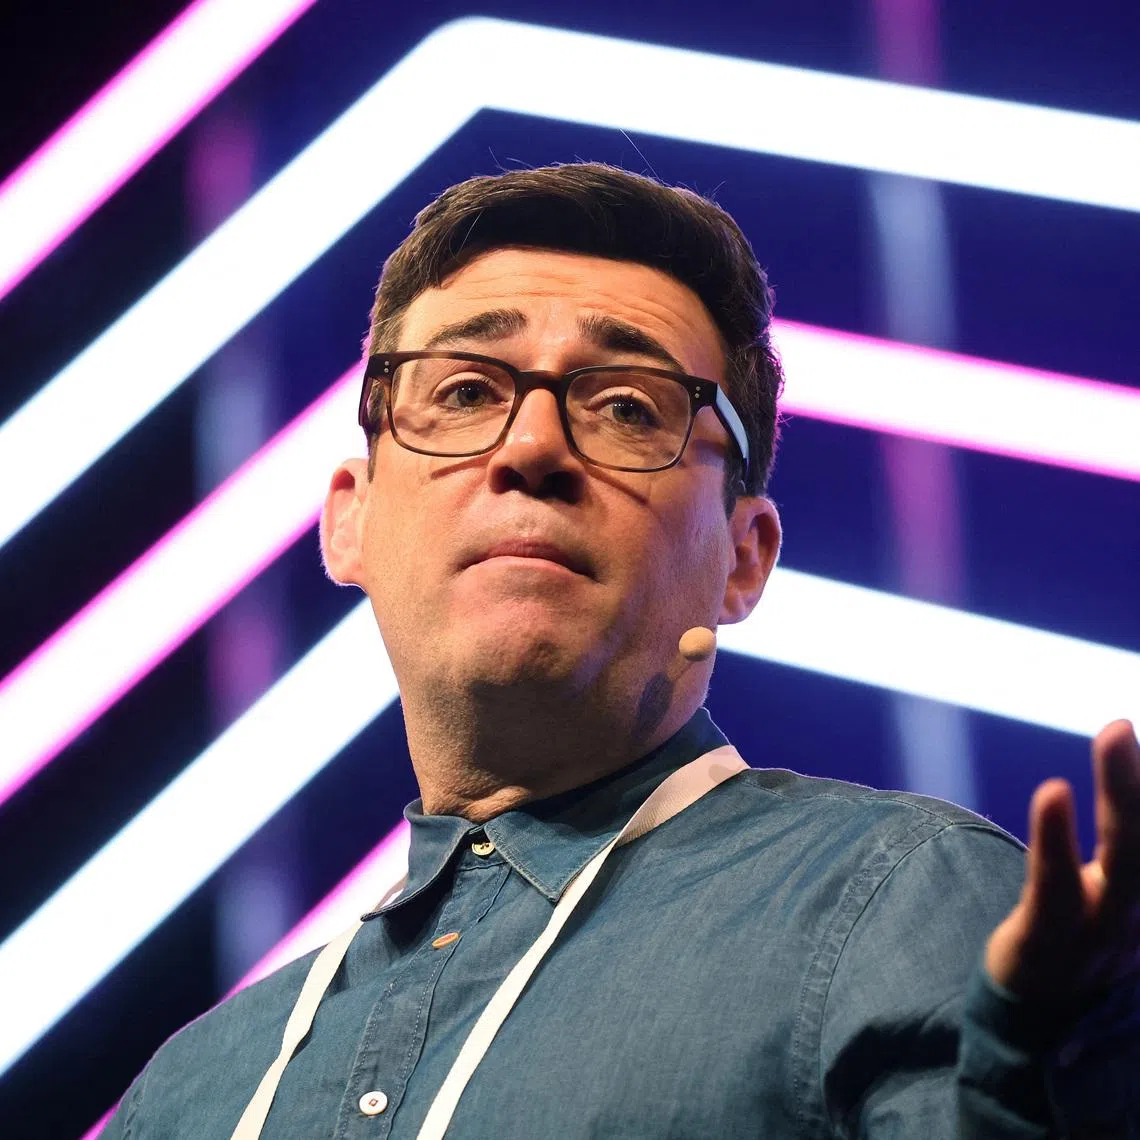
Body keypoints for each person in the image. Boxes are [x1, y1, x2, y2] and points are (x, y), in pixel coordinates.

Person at [103, 164, 1139, 1139]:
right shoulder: (191, 1089)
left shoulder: (902, 903)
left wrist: (1053, 1080)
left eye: (627, 408)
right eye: (464, 391)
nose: (532, 448)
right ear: (351, 521)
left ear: (744, 559)